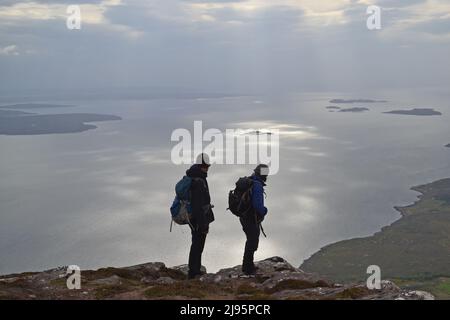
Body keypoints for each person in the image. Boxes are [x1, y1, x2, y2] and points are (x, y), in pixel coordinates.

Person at [186, 153, 215, 279]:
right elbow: (198, 205)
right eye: (206, 166)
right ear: (202, 166)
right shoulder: (198, 181)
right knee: (198, 245)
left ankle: (195, 269)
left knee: (196, 244)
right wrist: (203, 224)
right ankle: (194, 272)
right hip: (198, 219)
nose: (207, 168)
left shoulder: (195, 177)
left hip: (193, 218)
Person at [240, 164, 269, 275]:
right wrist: (265, 211)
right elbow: (258, 205)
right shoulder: (257, 185)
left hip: (244, 217)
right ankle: (248, 268)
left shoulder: (250, 181)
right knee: (252, 242)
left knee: (250, 240)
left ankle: (248, 265)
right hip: (250, 218)